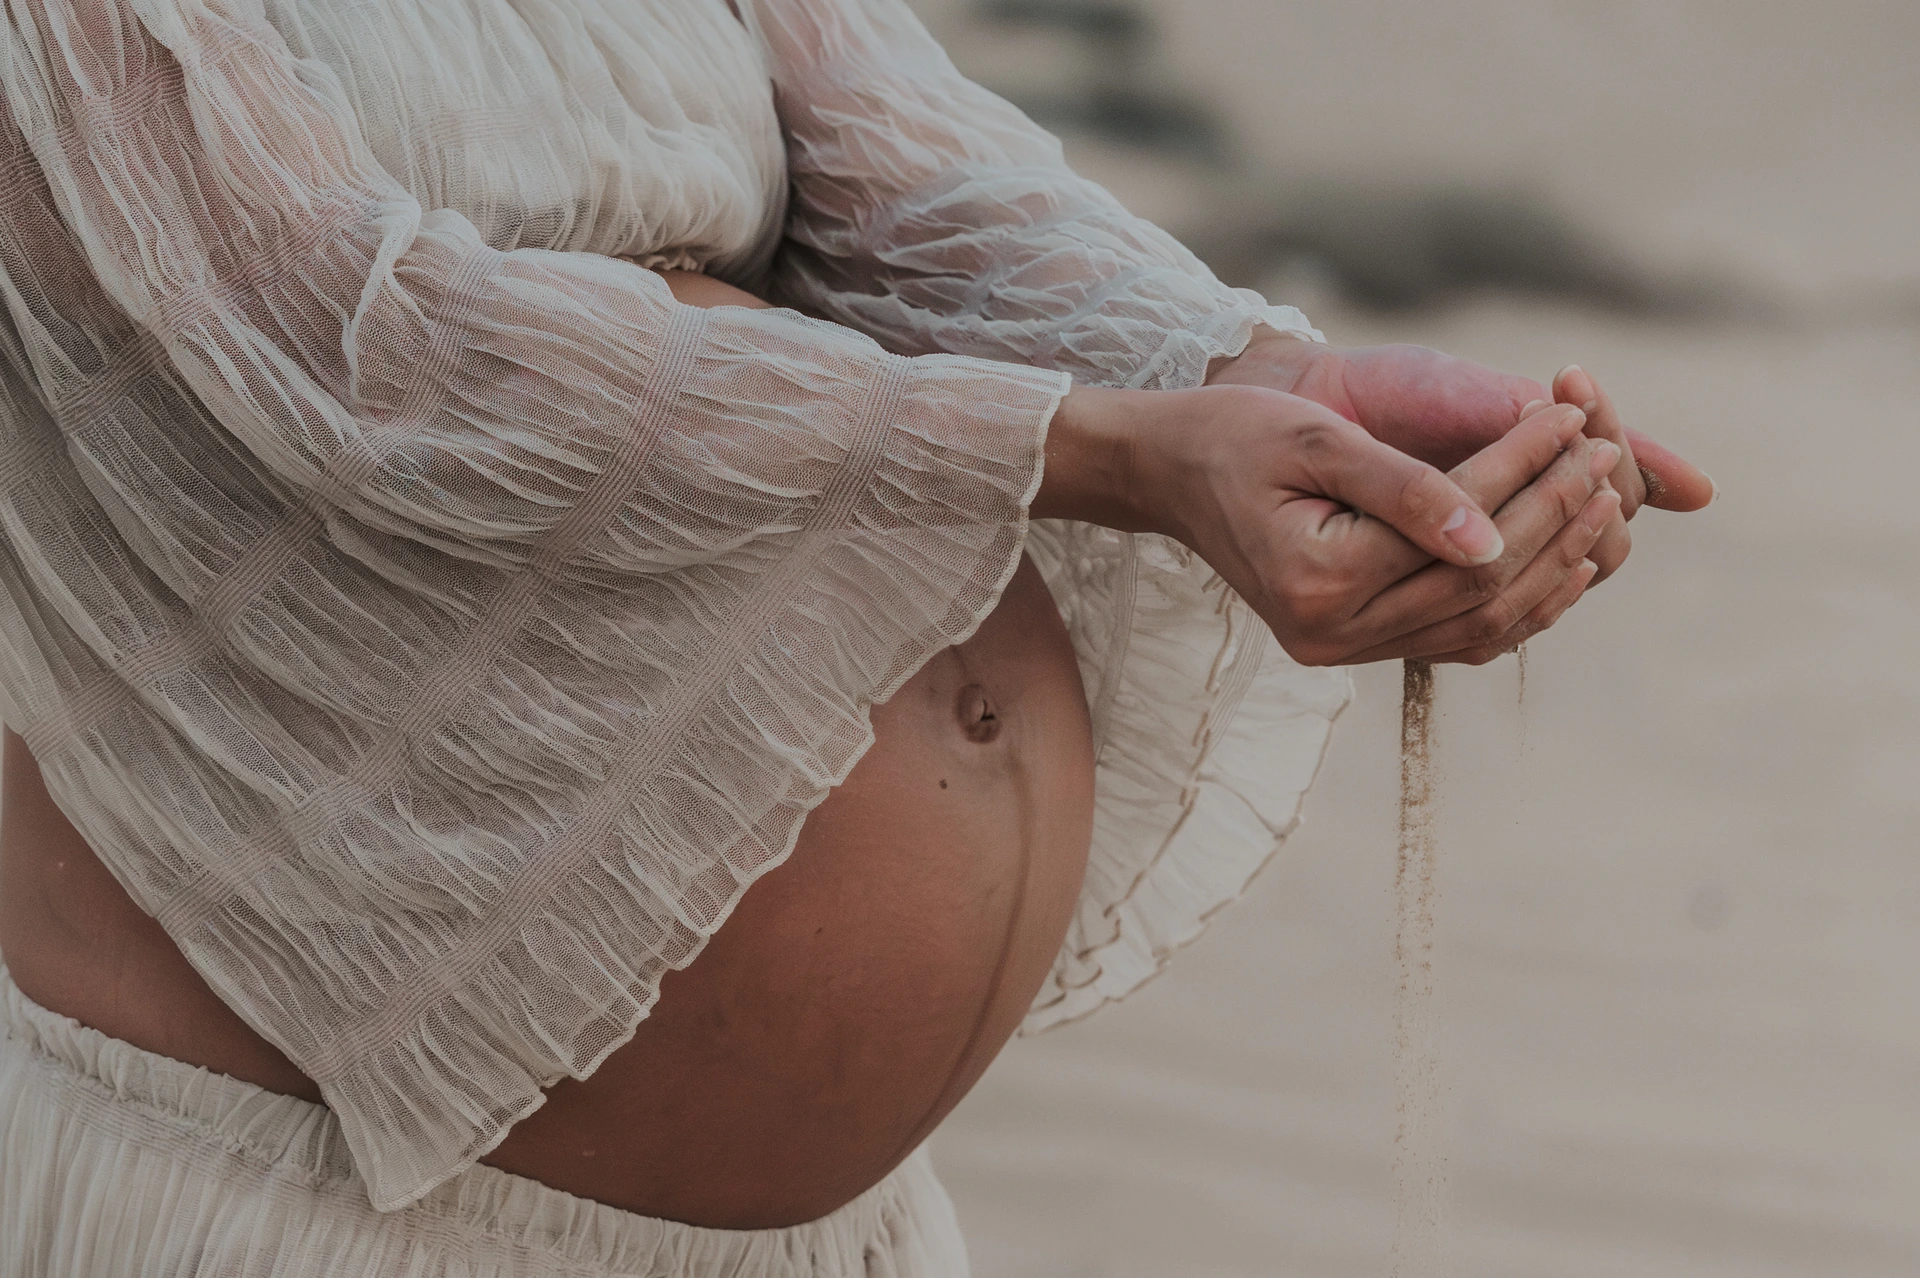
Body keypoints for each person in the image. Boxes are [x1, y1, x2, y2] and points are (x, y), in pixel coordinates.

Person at [0, 0, 1712, 1272]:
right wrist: (1092, 449)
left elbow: (904, 177)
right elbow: (349, 346)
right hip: (307, 1199)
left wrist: (1256, 380)